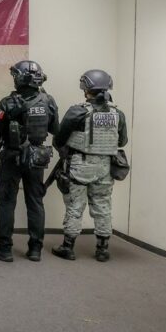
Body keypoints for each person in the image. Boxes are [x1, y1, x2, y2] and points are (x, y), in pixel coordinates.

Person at [0, 60, 60, 263]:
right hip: (37, 158)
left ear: (20, 79)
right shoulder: (48, 101)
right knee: (35, 202)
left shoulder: (7, 103)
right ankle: (35, 249)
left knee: (6, 202)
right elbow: (55, 130)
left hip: (12, 157)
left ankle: (4, 249)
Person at [51, 69, 128, 262]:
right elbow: (122, 141)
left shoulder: (77, 111)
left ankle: (68, 247)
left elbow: (59, 139)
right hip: (105, 167)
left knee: (75, 205)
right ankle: (102, 249)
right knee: (103, 205)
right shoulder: (117, 114)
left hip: (80, 165)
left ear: (86, 89)